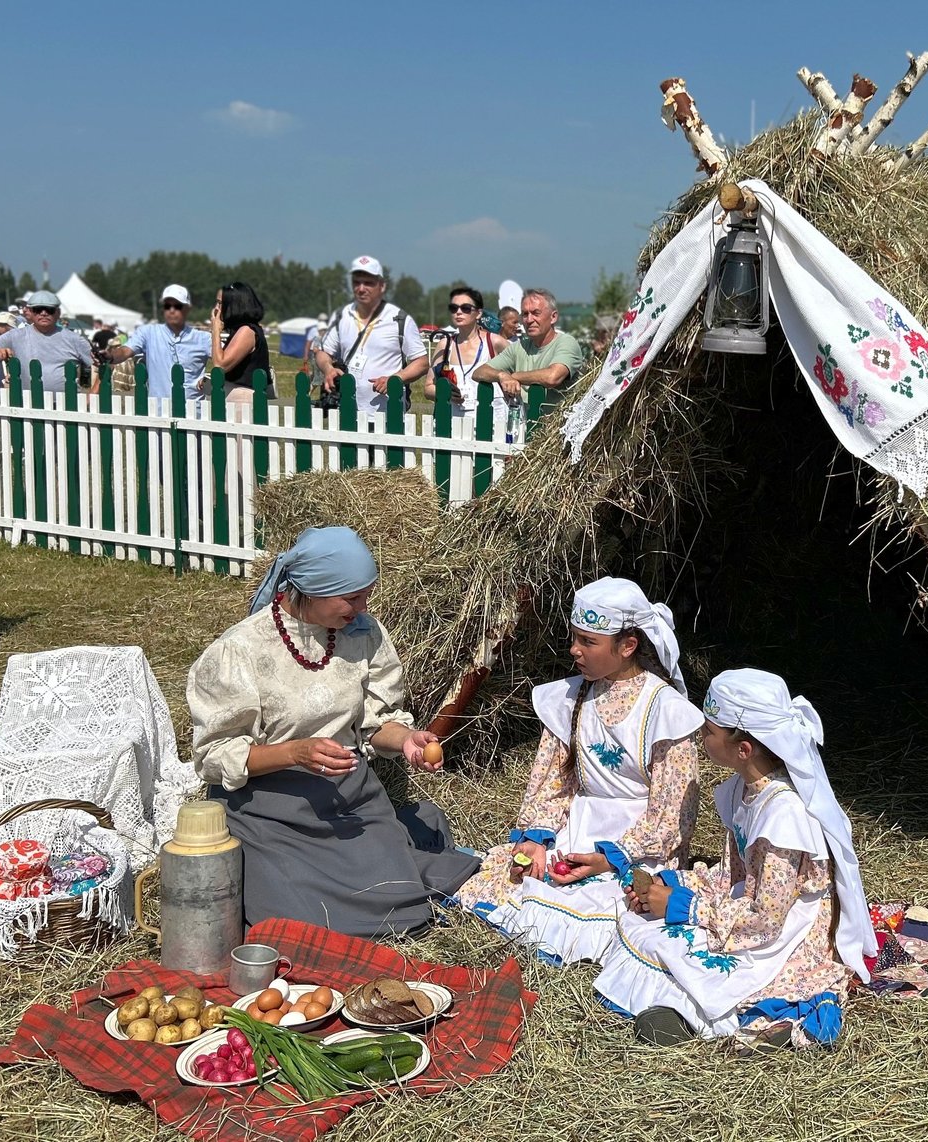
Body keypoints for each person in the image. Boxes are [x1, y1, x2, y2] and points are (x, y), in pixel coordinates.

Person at [186, 526, 481, 937]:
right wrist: (294, 753)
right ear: (309, 590)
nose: (362, 608)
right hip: (266, 806)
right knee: (298, 922)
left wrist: (406, 740)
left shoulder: (363, 635)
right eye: (351, 597)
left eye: (367, 595)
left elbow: (377, 723)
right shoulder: (240, 651)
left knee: (400, 898)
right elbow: (214, 757)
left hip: (347, 797)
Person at [593, 668, 875, 1049]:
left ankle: (703, 1020)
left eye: (709, 731)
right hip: (750, 908)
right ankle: (683, 1008)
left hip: (787, 926)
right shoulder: (745, 790)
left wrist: (684, 907)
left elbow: (766, 920)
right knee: (641, 927)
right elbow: (734, 877)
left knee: (698, 960)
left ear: (743, 749)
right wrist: (672, 884)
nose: (701, 737)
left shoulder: (782, 816)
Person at [456, 577, 704, 965]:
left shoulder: (663, 710)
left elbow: (673, 814)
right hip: (579, 824)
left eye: (588, 642)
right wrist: (536, 839)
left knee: (619, 909)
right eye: (574, 638)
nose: (574, 650)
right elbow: (552, 782)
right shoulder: (571, 697)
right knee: (516, 882)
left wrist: (612, 858)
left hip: (639, 841)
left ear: (627, 646)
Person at [315, 256, 428, 413]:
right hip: (347, 412)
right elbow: (323, 352)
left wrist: (396, 379)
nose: (361, 288)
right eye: (356, 282)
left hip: (388, 414)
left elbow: (422, 362)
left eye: (368, 283)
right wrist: (328, 369)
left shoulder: (400, 319)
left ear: (381, 286)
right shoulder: (342, 316)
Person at [474, 288, 585, 435]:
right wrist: (502, 375)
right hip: (527, 432)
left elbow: (553, 377)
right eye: (525, 314)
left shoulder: (566, 343)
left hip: (560, 434)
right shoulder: (520, 347)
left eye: (536, 313)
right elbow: (479, 372)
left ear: (553, 317)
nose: (529, 319)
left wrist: (514, 376)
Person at [104, 284, 212, 403]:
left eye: (177, 306)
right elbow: (125, 351)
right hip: (158, 413)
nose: (171, 310)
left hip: (193, 412)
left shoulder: (203, 338)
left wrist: (209, 378)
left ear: (187, 309)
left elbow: (226, 363)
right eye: (167, 306)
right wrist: (110, 356)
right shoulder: (147, 333)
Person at [0, 290, 94, 388]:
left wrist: (93, 394)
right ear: (30, 312)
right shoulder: (15, 335)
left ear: (58, 313)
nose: (43, 313)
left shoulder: (75, 339)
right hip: (27, 406)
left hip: (66, 406)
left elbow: (100, 366)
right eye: (38, 309)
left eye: (49, 310)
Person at [424, 286, 508, 419]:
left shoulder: (494, 342)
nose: (458, 312)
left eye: (465, 308)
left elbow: (518, 371)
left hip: (491, 424)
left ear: (479, 313)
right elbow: (428, 388)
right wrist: (445, 393)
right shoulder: (445, 345)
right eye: (454, 308)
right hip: (452, 423)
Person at [209, 282, 274, 406]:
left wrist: (216, 330)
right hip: (233, 396)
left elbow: (220, 365)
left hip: (242, 400)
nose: (216, 308)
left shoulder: (247, 331)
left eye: (220, 303)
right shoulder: (239, 330)